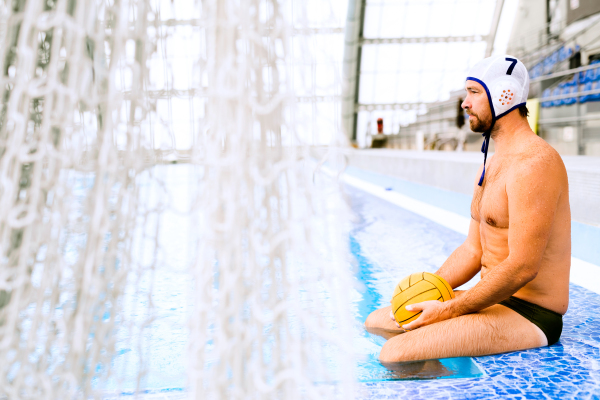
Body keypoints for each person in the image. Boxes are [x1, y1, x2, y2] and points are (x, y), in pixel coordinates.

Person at [364, 55, 571, 363]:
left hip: (529, 312)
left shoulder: (534, 164)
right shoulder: (491, 164)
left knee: (395, 354)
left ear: (506, 95)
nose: (464, 103)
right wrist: (428, 293)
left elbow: (523, 267)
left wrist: (448, 310)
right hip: (494, 300)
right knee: (378, 320)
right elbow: (473, 250)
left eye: (474, 92)